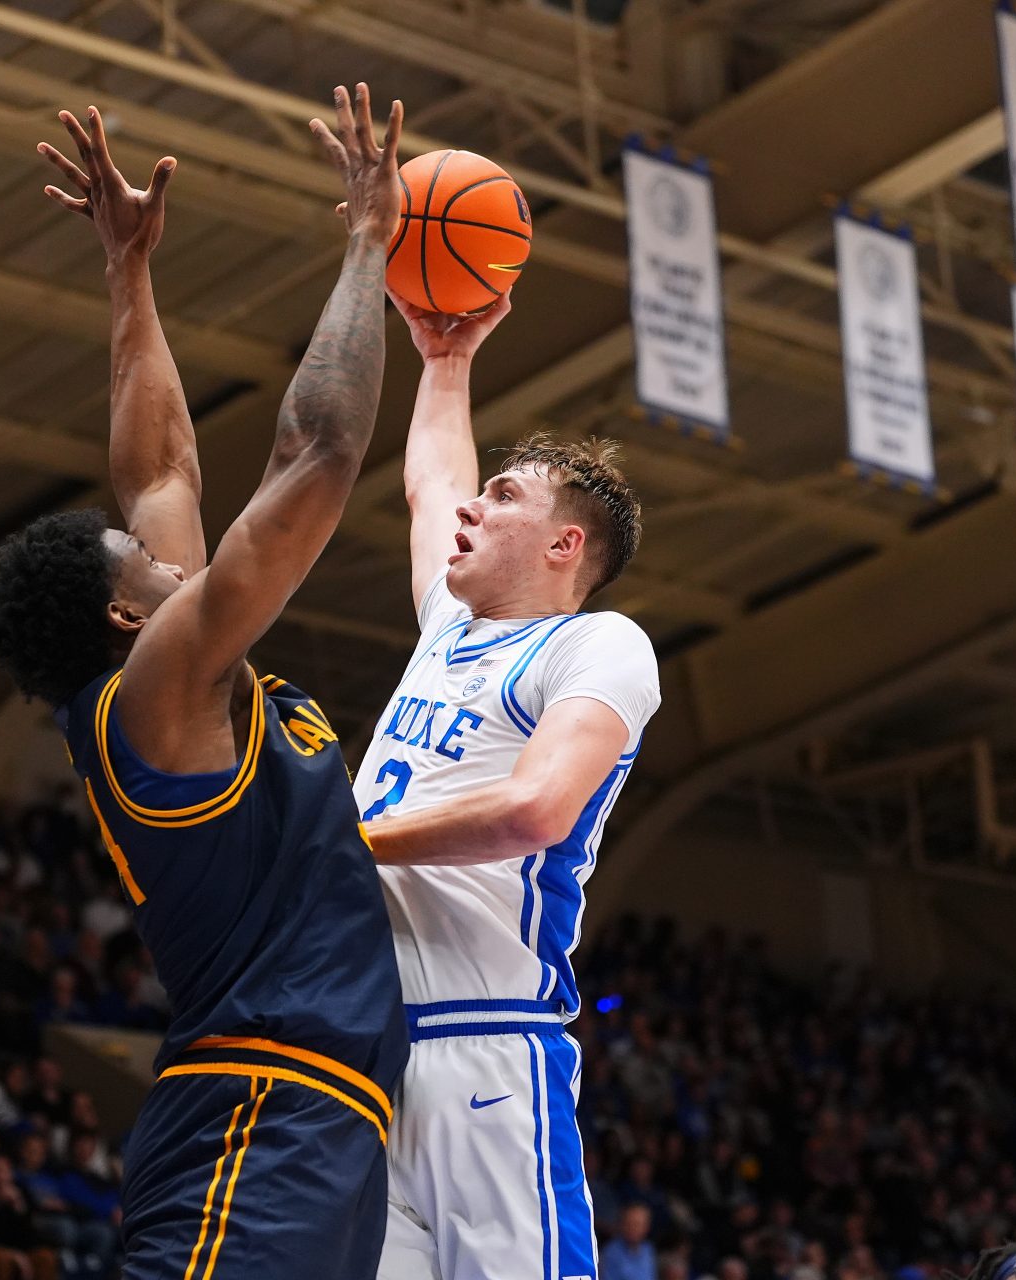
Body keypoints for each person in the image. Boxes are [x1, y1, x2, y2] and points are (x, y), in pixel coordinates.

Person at [0, 86, 407, 1278]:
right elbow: (317, 451)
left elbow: (158, 459)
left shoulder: (161, 672)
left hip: (316, 1113)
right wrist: (368, 241)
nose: (175, 552)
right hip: (254, 1110)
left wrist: (129, 274)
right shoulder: (156, 693)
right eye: (148, 560)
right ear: (128, 612)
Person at [357, 294, 661, 1280]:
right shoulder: (447, 625)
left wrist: (346, 839)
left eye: (500, 498)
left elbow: (537, 809)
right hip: (369, 1053)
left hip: (490, 1048)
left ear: (564, 545)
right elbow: (428, 482)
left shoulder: (597, 645)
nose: (469, 509)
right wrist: (444, 360)